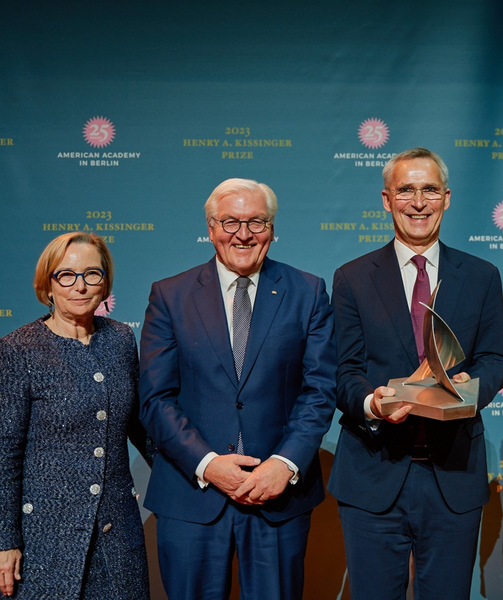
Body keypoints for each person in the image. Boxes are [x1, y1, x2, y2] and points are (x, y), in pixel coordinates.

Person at [139, 178, 336, 600]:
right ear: (210, 229)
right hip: (192, 495)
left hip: (277, 498)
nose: (243, 234)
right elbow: (156, 399)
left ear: (272, 228)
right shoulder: (170, 296)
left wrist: (284, 464)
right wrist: (208, 463)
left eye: (256, 222)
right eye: (230, 222)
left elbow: (320, 389)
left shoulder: (309, 291)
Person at [329, 147, 503, 599]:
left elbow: (493, 360)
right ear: (387, 200)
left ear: (446, 198)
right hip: (374, 473)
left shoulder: (483, 275)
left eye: (429, 190)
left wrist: (472, 388)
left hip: (453, 476)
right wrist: (373, 403)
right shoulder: (352, 278)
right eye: (406, 190)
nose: (418, 201)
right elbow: (344, 370)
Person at [0, 232, 153, 600]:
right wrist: (1, 542)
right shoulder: (18, 349)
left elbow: (142, 428)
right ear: (47, 283)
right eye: (66, 275)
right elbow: (0, 456)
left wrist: (202, 470)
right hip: (41, 544)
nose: (80, 286)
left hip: (116, 539)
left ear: (105, 282)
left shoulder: (122, 339)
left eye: (92, 274)